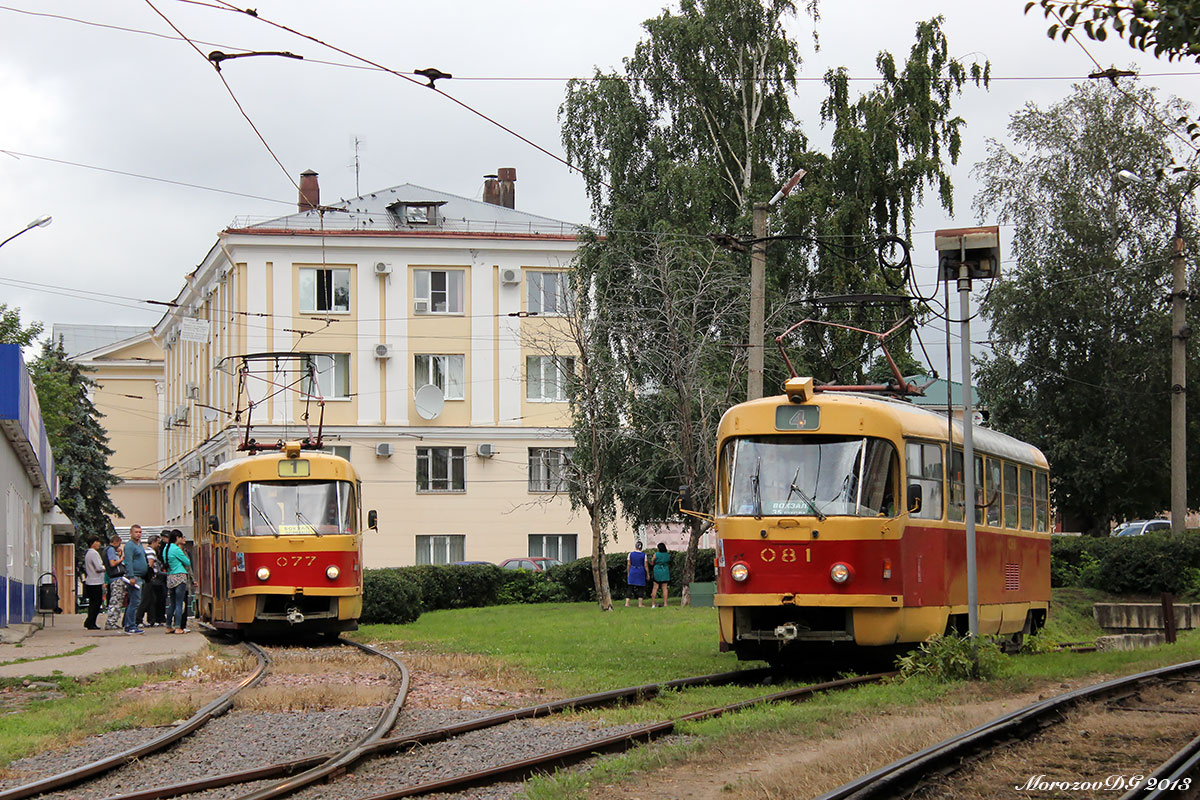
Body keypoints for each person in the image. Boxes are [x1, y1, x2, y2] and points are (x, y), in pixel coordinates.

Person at [163, 529, 192, 634]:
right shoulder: (176, 549)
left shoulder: (166, 548)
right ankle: (178, 627)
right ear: (177, 538)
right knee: (180, 603)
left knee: (172, 603)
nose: (181, 539)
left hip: (170, 577)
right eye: (180, 537)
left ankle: (168, 626)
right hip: (180, 576)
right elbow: (187, 562)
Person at [122, 525, 149, 634]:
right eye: (136, 532)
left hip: (141, 577)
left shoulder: (140, 545)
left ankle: (131, 624)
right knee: (134, 602)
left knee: (137, 601)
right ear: (131, 533)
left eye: (140, 532)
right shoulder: (129, 546)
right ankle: (130, 626)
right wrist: (131, 576)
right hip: (135, 577)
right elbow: (128, 561)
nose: (138, 534)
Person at [103, 533, 126, 630]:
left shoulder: (106, 550)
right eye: (119, 543)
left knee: (115, 600)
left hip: (112, 577)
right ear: (115, 542)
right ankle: (111, 622)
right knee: (116, 601)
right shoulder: (111, 550)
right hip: (116, 578)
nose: (119, 546)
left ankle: (112, 621)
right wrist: (121, 559)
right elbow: (112, 563)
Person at [82, 537, 105, 630]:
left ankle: (89, 621)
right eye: (97, 542)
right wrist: (106, 567)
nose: (99, 544)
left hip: (90, 581)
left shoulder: (88, 553)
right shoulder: (94, 553)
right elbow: (99, 567)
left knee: (93, 603)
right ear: (93, 543)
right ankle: (91, 622)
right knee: (96, 603)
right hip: (96, 581)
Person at [625, 541, 647, 608]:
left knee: (630, 587)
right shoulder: (644, 555)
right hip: (640, 571)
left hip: (632, 571)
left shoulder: (630, 554)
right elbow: (645, 565)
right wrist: (647, 573)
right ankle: (640, 604)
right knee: (640, 587)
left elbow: (629, 564)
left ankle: (627, 603)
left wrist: (628, 572)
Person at [650, 542, 671, 608]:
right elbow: (669, 562)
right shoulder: (667, 555)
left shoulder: (656, 554)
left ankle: (653, 604)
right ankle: (665, 603)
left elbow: (652, 562)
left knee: (655, 587)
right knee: (664, 587)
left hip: (657, 571)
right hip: (665, 570)